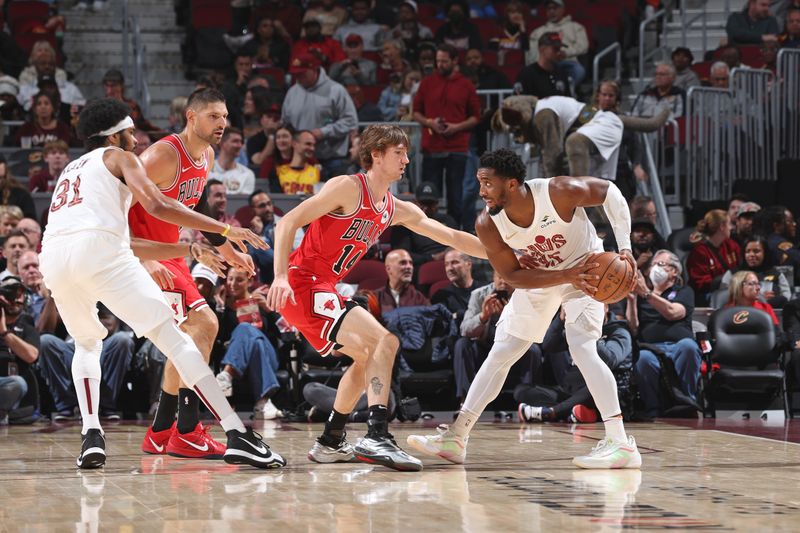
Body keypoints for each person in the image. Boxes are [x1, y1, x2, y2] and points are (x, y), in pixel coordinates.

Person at [39, 97, 284, 469]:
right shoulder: (127, 157)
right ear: (114, 135)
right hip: (113, 250)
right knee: (182, 335)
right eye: (131, 134)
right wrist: (219, 231)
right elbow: (153, 206)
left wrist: (199, 247)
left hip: (55, 256)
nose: (137, 141)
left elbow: (144, 224)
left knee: (87, 343)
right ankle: (232, 432)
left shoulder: (71, 169)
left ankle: (94, 435)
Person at [266, 123, 487, 471]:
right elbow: (287, 222)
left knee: (367, 357)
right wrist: (279, 276)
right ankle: (377, 434)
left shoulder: (394, 208)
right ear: (376, 155)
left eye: (407, 153)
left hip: (323, 288)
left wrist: (510, 253)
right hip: (302, 283)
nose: (406, 160)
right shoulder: (346, 187)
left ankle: (331, 440)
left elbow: (454, 237)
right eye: (398, 153)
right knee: (386, 341)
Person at [407, 148, 641, 469]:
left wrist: (625, 248)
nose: (481, 191)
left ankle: (619, 442)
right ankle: (456, 436)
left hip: (588, 269)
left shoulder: (558, 192)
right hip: (544, 275)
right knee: (502, 350)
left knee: (582, 346)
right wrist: (560, 275)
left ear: (513, 183)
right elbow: (513, 275)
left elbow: (610, 193)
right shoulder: (488, 224)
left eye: (488, 183)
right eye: (480, 182)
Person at [128, 89, 257, 461]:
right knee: (206, 324)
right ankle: (187, 430)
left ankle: (160, 432)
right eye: (214, 116)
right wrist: (142, 259)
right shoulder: (162, 155)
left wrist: (223, 244)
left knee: (185, 340)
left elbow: (195, 202)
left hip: (173, 252)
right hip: (146, 253)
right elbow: (116, 208)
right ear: (191, 117)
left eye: (225, 115)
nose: (223, 123)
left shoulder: (208, 155)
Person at [627, 249, 701, 419]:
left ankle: (688, 402)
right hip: (650, 348)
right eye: (652, 265)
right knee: (643, 358)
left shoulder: (684, 291)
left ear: (674, 271)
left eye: (660, 264)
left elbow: (673, 312)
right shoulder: (642, 296)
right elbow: (634, 329)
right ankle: (652, 408)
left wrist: (647, 293)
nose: (654, 269)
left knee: (688, 346)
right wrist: (632, 301)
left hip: (678, 345)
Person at [413, 44, 480, 228]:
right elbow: (416, 112)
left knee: (456, 196)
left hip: (457, 148)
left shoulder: (466, 85)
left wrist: (457, 127)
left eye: (444, 61)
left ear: (454, 61)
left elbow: (476, 117)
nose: (439, 65)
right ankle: (428, 233)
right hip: (431, 147)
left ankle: (455, 234)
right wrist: (430, 122)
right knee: (428, 196)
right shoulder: (427, 83)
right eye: (438, 61)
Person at [37, 304, 134, 421]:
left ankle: (105, 406)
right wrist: (51, 295)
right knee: (46, 341)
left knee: (123, 340)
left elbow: (110, 325)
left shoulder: (110, 292)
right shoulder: (72, 290)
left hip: (104, 346)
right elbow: (45, 329)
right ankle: (66, 406)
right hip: (74, 346)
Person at [214, 268, 283, 420]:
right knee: (255, 344)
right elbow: (216, 339)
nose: (233, 284)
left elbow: (287, 334)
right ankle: (263, 403)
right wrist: (220, 309)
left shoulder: (261, 302)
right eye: (230, 279)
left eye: (239, 280)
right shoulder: (223, 307)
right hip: (241, 357)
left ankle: (226, 375)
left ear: (250, 281)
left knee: (245, 328)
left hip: (269, 355)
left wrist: (269, 310)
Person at [282, 52, 357, 181]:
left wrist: (324, 132)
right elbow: (285, 122)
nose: (298, 78)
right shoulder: (292, 92)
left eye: (302, 74)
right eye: (295, 74)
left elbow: (350, 121)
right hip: (302, 161)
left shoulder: (336, 90)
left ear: (314, 69)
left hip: (332, 159)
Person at [390, 181, 459, 267]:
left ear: (437, 204)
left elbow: (459, 242)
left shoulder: (448, 220)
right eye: (422, 203)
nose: (426, 208)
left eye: (430, 204)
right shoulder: (404, 223)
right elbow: (400, 253)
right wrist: (432, 258)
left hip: (450, 262)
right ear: (415, 202)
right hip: (421, 266)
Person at [525, 0, 589, 88]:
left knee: (579, 70)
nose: (552, 11)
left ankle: (567, 90)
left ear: (562, 9)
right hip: (546, 64)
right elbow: (532, 53)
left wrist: (565, 53)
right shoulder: (537, 32)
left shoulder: (576, 27)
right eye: (549, 8)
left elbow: (583, 47)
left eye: (555, 8)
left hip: (567, 62)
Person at [687, 209, 741, 306]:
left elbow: (740, 267)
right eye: (729, 224)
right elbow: (699, 283)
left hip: (732, 290)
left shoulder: (731, 245)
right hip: (708, 295)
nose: (732, 228)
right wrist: (721, 281)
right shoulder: (699, 252)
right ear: (722, 227)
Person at [721, 235, 792, 309]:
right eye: (748, 251)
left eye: (756, 251)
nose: (751, 255)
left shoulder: (776, 274)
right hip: (738, 312)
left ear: (765, 253)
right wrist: (760, 299)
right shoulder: (732, 274)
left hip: (770, 313)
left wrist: (772, 300)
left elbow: (786, 297)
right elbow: (723, 298)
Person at [432, 247, 484, 326]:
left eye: (454, 262)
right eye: (446, 264)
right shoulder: (441, 295)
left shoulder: (484, 290)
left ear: (468, 264)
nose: (449, 268)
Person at [374, 248, 430, 313]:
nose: (409, 267)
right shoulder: (375, 297)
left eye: (411, 263)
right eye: (403, 263)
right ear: (388, 269)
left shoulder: (419, 298)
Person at [516, 33, 571, 98]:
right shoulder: (527, 74)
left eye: (559, 49)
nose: (559, 53)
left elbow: (568, 100)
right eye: (555, 49)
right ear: (542, 49)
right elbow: (518, 102)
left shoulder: (561, 73)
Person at [269, 130, 321, 195]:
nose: (312, 148)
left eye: (313, 145)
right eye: (308, 144)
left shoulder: (318, 173)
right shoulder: (277, 172)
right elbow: (279, 201)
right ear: (294, 144)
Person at [209, 127, 256, 195]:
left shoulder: (247, 174)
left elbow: (243, 202)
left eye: (241, 142)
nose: (240, 145)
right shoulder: (205, 170)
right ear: (222, 143)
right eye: (235, 141)